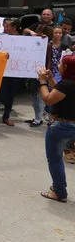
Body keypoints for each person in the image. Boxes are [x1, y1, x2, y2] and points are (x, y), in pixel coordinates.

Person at [37, 56, 75, 203]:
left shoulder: (67, 85)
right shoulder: (68, 84)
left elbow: (48, 98)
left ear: (65, 67)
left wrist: (42, 81)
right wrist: (52, 79)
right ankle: (58, 187)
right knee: (58, 157)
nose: (58, 65)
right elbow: (61, 92)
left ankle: (59, 192)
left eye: (60, 64)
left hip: (61, 126)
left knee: (55, 159)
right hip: (71, 126)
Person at [0, 17, 22, 126]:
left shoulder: (22, 39)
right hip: (1, 71)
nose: (6, 28)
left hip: (14, 71)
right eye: (5, 25)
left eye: (8, 26)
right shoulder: (0, 37)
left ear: (14, 27)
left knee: (10, 96)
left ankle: (6, 117)